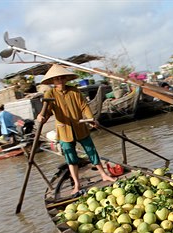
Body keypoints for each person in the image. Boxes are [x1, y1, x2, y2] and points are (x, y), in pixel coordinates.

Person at [36, 64, 116, 197]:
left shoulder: (74, 91)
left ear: (66, 79)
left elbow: (84, 106)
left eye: (62, 78)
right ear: (53, 81)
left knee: (91, 151)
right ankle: (77, 184)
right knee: (71, 158)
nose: (60, 81)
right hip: (64, 130)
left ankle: (104, 175)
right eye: (57, 79)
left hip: (80, 127)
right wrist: (41, 116)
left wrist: (91, 118)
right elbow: (47, 111)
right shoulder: (50, 94)